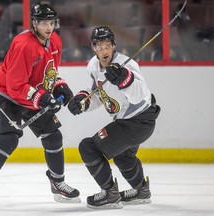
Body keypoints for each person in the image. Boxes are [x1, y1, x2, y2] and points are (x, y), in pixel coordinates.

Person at [0, 3, 80, 211]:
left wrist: (60, 87)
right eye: (43, 22)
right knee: (8, 139)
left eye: (51, 22)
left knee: (53, 136)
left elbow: (49, 73)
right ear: (34, 23)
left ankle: (57, 182)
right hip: (6, 95)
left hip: (32, 94)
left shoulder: (55, 41)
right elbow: (15, 86)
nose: (48, 27)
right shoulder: (23, 45)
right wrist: (43, 98)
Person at [67, 26, 161, 209]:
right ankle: (141, 190)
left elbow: (140, 95)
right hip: (130, 121)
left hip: (138, 120)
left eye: (107, 46)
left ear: (114, 46)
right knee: (122, 156)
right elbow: (97, 94)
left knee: (88, 147)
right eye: (100, 47)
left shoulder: (127, 64)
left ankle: (110, 193)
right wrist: (83, 100)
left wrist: (125, 80)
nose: (104, 51)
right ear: (93, 48)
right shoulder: (93, 66)